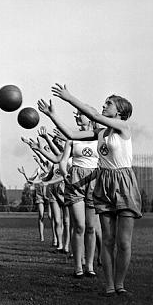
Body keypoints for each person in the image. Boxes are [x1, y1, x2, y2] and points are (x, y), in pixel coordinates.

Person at [38, 85, 142, 296]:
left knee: (123, 242)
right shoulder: (100, 132)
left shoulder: (123, 127)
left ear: (119, 111)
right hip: (104, 182)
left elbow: (93, 114)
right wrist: (52, 115)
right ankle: (110, 286)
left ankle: (120, 284)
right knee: (108, 239)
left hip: (123, 182)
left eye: (108, 104)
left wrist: (69, 98)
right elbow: (69, 133)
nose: (104, 106)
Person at [58, 112, 100, 278]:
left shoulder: (99, 137)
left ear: (89, 118)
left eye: (80, 114)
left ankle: (89, 266)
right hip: (75, 179)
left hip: (94, 180)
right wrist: (63, 173)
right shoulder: (72, 137)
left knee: (91, 227)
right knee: (80, 226)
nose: (76, 116)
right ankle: (78, 267)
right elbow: (63, 161)